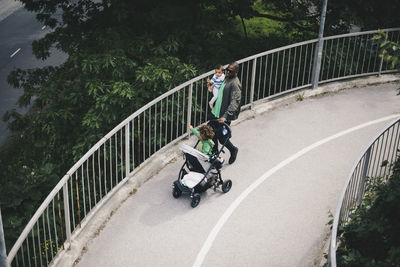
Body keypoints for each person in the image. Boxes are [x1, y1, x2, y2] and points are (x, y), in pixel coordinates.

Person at [209, 61, 241, 164]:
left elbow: (235, 101)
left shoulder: (235, 83)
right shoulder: (225, 78)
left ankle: (233, 150)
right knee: (211, 133)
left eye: (230, 71)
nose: (227, 72)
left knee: (222, 138)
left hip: (224, 115)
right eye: (227, 69)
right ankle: (215, 155)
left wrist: (225, 116)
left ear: (236, 72)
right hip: (216, 111)